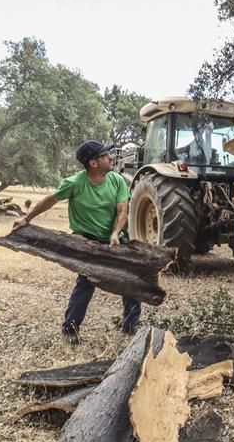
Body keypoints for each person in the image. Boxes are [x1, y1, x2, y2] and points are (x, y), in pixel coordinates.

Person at [12, 139, 140, 344]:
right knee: (86, 283)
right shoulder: (74, 183)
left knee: (131, 279)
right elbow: (50, 200)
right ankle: (70, 329)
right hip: (86, 241)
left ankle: (130, 326)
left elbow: (122, 211)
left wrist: (116, 233)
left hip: (114, 239)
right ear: (93, 163)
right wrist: (26, 219)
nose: (111, 157)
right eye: (106, 155)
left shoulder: (117, 180)